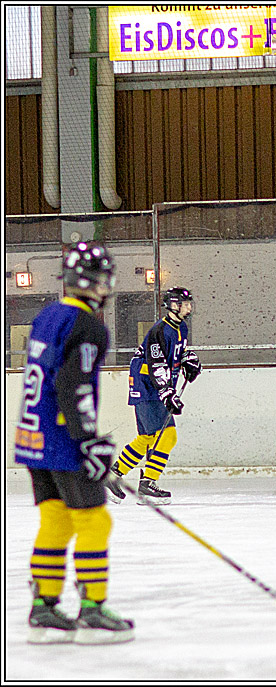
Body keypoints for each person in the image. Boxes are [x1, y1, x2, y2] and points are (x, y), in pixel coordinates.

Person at [13, 242, 134, 644]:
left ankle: (44, 608)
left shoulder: (48, 315)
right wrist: (88, 442)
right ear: (100, 283)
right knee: (94, 520)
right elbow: (73, 385)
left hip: (34, 439)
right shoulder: (88, 326)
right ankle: (93, 611)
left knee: (56, 520)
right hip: (63, 441)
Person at [106, 287, 201, 506]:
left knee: (148, 437)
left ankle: (113, 476)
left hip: (152, 388)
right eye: (185, 304)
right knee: (167, 436)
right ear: (174, 305)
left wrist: (189, 359)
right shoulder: (160, 330)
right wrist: (167, 393)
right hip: (148, 387)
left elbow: (177, 352)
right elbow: (156, 364)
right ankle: (148, 484)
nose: (189, 307)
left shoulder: (181, 328)